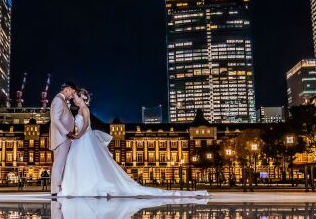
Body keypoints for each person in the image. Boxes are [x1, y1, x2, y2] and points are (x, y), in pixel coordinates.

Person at [59, 89, 207, 197]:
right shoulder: (80, 109)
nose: (73, 99)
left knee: (86, 162)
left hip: (84, 138)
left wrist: (78, 135)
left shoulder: (84, 109)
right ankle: (82, 187)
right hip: (83, 139)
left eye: (75, 97)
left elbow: (86, 125)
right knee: (85, 163)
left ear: (82, 98)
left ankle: (85, 187)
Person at [49, 81, 77, 196]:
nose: (72, 96)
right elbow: (55, 119)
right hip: (61, 138)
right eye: (72, 93)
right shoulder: (58, 100)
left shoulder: (61, 101)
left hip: (63, 137)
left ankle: (58, 188)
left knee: (61, 163)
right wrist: (67, 133)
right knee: (59, 164)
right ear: (67, 89)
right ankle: (56, 189)